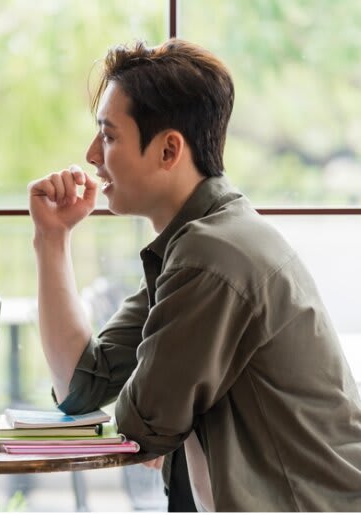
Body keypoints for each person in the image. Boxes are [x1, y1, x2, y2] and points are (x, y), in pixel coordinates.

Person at [28, 39, 361, 511]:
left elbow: (140, 428)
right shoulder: (197, 243)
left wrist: (155, 422)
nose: (91, 155)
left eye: (108, 136)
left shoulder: (212, 255)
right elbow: (82, 390)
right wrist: (52, 239)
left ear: (168, 150)